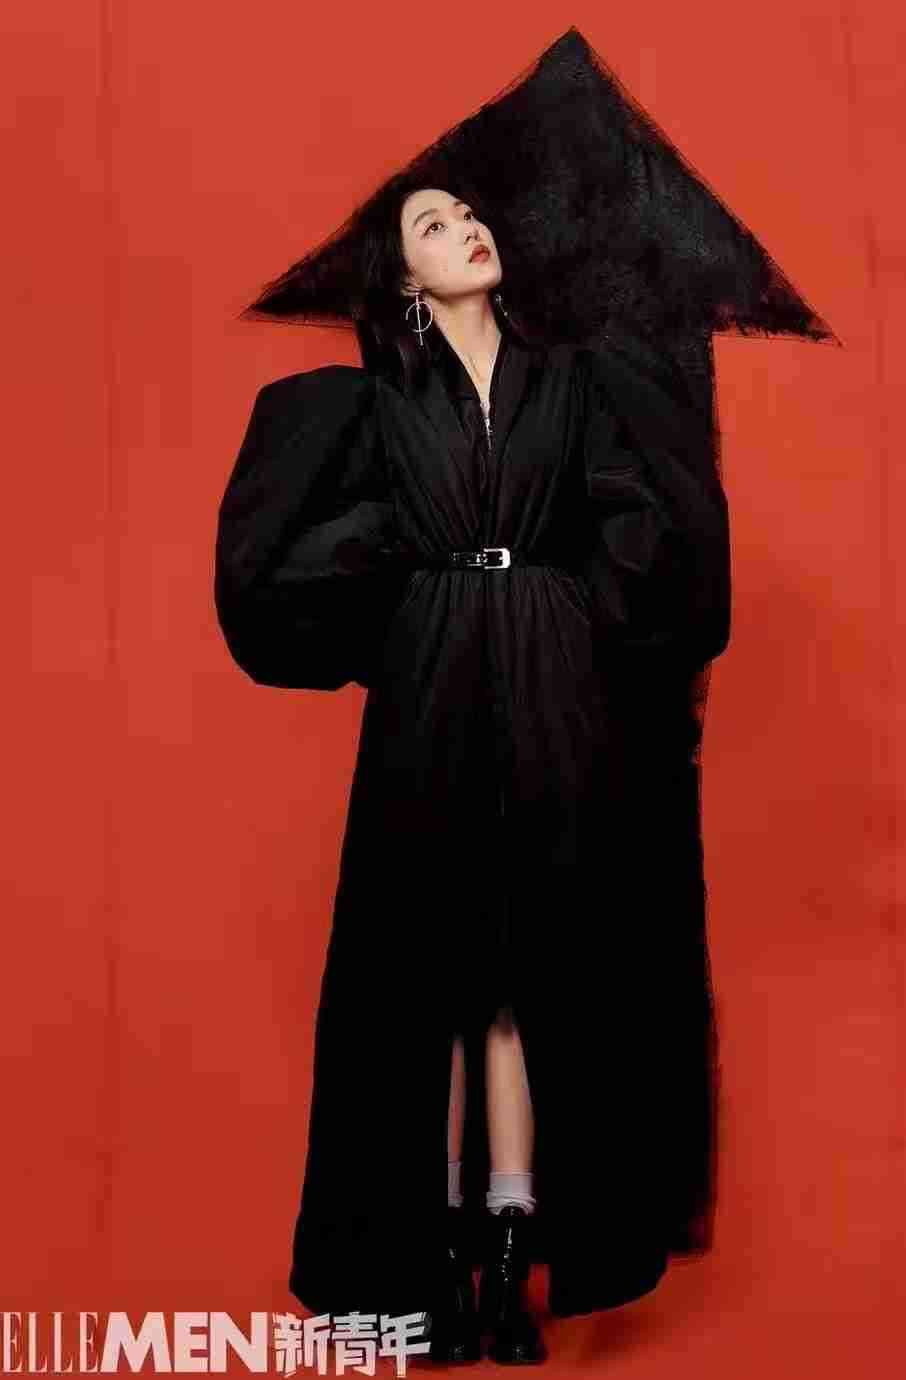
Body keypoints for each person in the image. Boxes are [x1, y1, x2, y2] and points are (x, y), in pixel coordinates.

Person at [215, 174, 731, 1366]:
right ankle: (431, 1263)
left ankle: (509, 1253)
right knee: (424, 976)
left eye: (467, 216)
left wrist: (577, 614)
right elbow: (302, 551)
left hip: (553, 669)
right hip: (432, 664)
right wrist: (407, 550)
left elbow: (637, 521)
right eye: (432, 227)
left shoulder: (574, 385)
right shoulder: (376, 403)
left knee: (534, 969)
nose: (465, 231)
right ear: (406, 279)